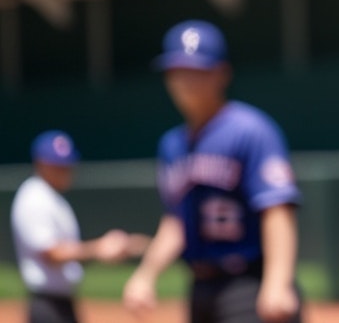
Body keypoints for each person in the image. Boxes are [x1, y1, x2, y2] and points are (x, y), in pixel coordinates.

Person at [122, 19, 303, 323]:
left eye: (197, 71)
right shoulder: (172, 144)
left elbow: (277, 209)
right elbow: (176, 220)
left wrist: (278, 282)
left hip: (249, 281)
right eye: (178, 71)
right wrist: (146, 273)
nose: (186, 81)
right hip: (201, 286)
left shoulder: (251, 130)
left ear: (221, 73)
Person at [10, 130, 149, 323]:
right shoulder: (34, 197)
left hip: (62, 302)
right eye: (58, 166)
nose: (65, 171)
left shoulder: (52, 197)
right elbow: (52, 253)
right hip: (47, 305)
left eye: (67, 165)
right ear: (41, 164)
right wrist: (99, 248)